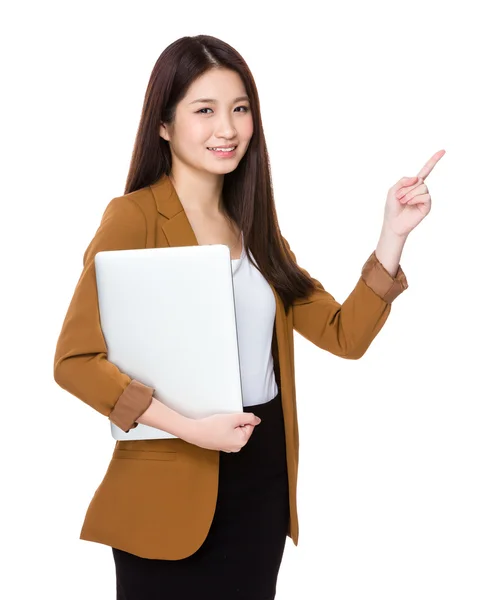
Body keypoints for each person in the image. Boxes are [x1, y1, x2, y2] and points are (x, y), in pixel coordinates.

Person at [53, 34, 444, 600]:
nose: (228, 128)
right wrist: (191, 427)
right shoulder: (133, 219)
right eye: (205, 110)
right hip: (171, 479)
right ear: (163, 125)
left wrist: (392, 235)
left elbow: (344, 335)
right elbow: (74, 362)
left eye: (240, 109)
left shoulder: (255, 226)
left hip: (261, 476)